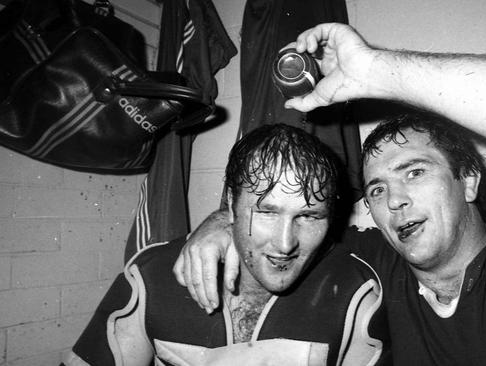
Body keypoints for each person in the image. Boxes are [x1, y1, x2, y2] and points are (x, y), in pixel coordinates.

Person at [174, 22, 486, 365]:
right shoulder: (379, 262)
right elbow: (290, 223)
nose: (394, 201)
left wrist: (375, 71)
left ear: (468, 180)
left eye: (414, 172)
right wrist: (223, 221)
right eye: (376, 189)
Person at [64, 124, 389, 366]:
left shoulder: (355, 291)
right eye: (266, 211)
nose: (286, 242)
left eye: (309, 216)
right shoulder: (152, 277)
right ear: (230, 204)